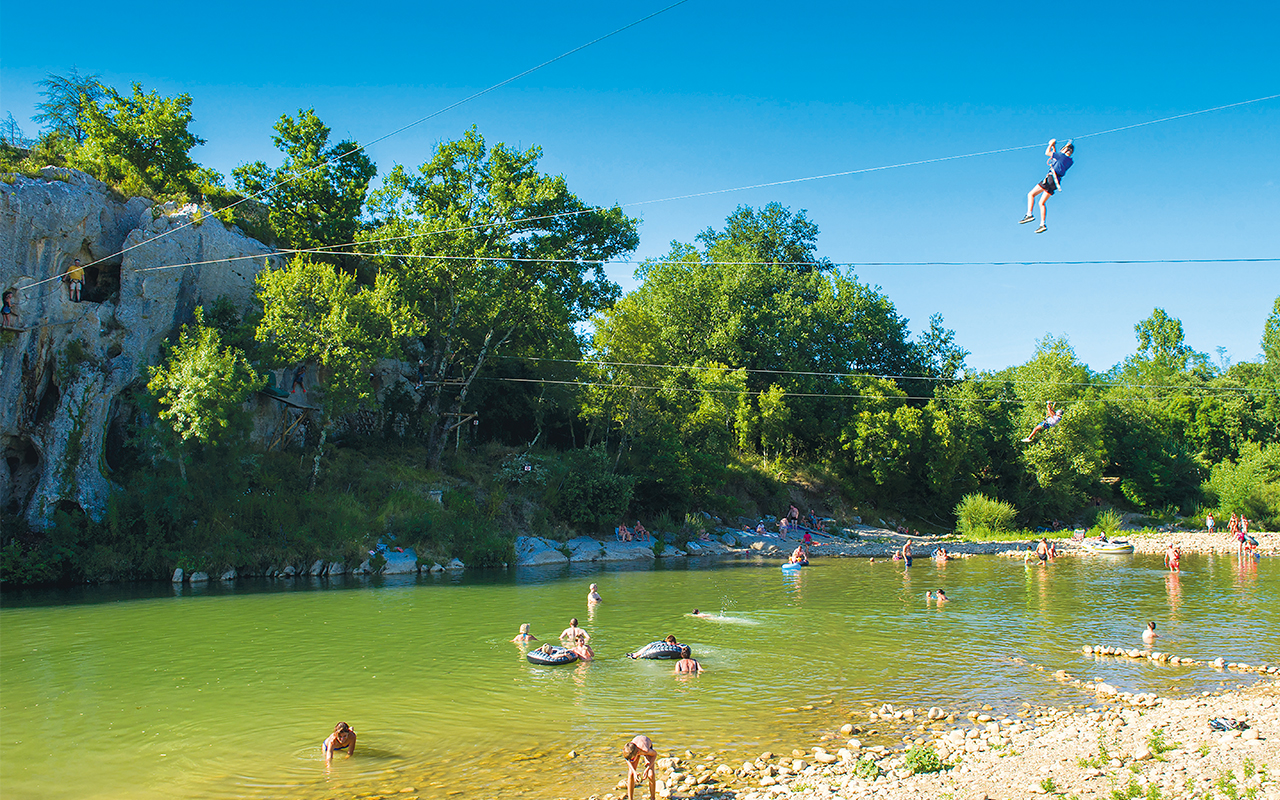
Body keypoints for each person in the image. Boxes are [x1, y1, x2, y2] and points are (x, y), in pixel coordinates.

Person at [1020, 138, 1074, 233]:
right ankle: (1042, 224)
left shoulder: (1061, 156)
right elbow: (1056, 157)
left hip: (1050, 178)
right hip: (1055, 182)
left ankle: (1029, 214)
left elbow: (1047, 153)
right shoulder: (1069, 161)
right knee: (1041, 203)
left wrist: (1050, 144)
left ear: (1065, 150)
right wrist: (1054, 146)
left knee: (1031, 194)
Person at [622, 735, 658, 800]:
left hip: (645, 745)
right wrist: (634, 772)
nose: (631, 761)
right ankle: (630, 799)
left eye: (632, 760)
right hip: (634, 748)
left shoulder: (646, 750)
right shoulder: (627, 750)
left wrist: (647, 768)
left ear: (637, 753)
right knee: (631, 774)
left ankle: (653, 798)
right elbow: (627, 759)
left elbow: (655, 754)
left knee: (651, 775)